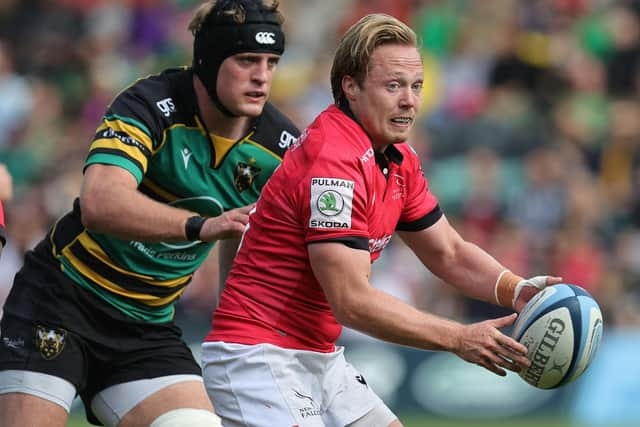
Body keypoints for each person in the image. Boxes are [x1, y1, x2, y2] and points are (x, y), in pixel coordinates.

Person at [201, 13, 562, 427]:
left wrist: (517, 290)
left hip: (317, 355)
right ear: (350, 87)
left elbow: (449, 251)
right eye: (393, 86)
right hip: (258, 356)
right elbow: (351, 300)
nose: (409, 100)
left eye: (416, 86)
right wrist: (458, 337)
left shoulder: (398, 158)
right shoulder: (333, 161)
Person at [0, 1, 299, 426]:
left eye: (272, 62)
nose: (262, 76)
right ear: (208, 62)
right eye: (247, 60)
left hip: (147, 329)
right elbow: (100, 203)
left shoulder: (281, 147)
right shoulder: (149, 103)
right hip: (60, 303)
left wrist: (236, 334)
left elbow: (247, 237)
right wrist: (199, 226)